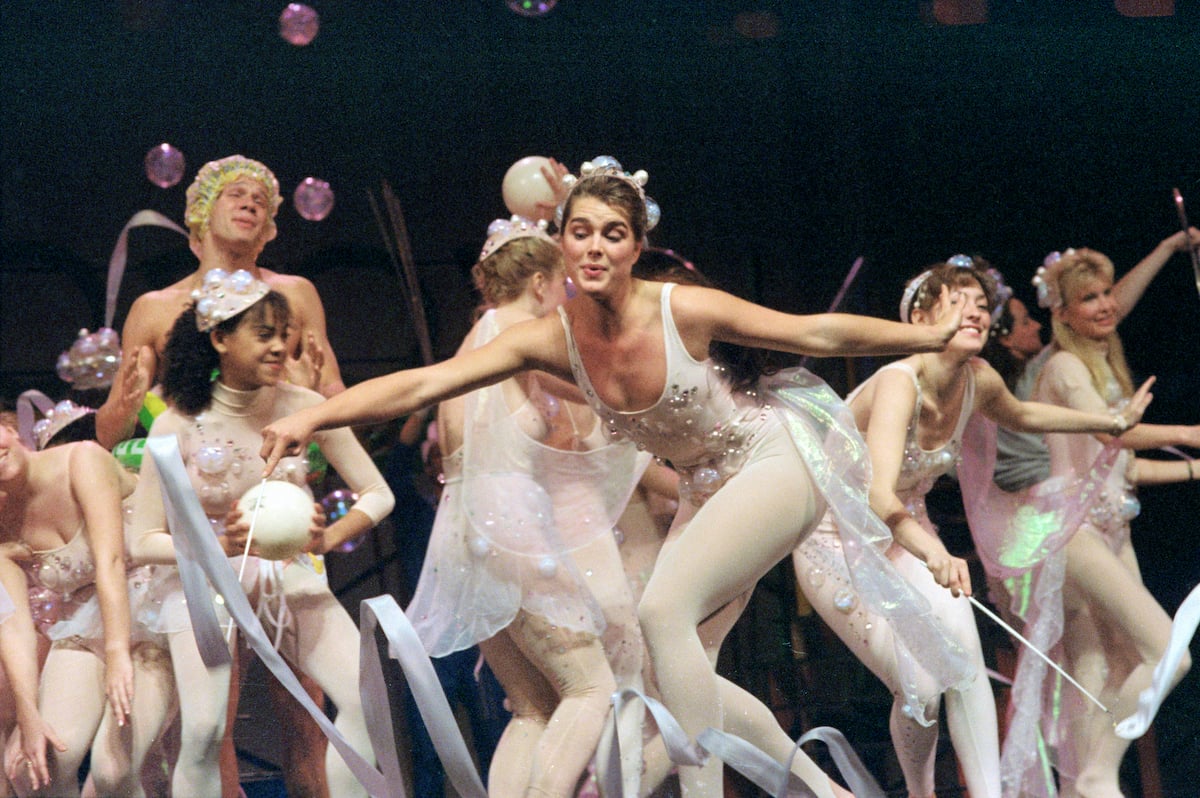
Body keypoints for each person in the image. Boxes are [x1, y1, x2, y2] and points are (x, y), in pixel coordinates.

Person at [259, 157, 986, 797]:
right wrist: (309, 420)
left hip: (775, 461)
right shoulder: (551, 337)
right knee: (676, 667)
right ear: (562, 241)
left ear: (636, 247)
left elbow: (814, 332)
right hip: (708, 485)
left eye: (613, 233)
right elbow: (425, 384)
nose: (596, 246)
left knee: (660, 612)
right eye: (581, 231)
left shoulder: (681, 308)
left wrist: (926, 337)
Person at [791, 257, 1152, 798]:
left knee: (965, 662)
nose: (977, 313)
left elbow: (1025, 416)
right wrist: (932, 552)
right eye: (958, 302)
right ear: (921, 316)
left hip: (905, 532)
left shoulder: (978, 379)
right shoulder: (898, 382)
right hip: (835, 539)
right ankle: (921, 791)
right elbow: (876, 493)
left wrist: (1108, 423)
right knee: (922, 684)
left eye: (983, 305)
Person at [96, 154, 345, 798]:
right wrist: (123, 404)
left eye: (263, 201)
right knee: (212, 712)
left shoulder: (296, 295)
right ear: (198, 214)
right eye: (236, 194)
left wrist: (314, 386)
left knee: (305, 700)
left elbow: (335, 399)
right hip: (200, 521)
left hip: (281, 508)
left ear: (271, 230)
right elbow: (112, 434)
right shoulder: (157, 307)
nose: (251, 204)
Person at [398, 214, 649, 797]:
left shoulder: (472, 343)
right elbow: (603, 389)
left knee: (533, 710)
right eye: (563, 283)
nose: (566, 297)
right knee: (592, 689)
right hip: (508, 520)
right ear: (540, 282)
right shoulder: (519, 335)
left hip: (462, 528)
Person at [126, 271, 394, 798]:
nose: (280, 347)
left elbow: (379, 493)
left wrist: (328, 535)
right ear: (220, 338)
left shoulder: (305, 408)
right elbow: (142, 541)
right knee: (202, 733)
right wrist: (217, 546)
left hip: (287, 577)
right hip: (204, 587)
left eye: (284, 334)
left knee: (367, 702)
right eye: (264, 334)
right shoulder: (175, 425)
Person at [1024, 247, 1196, 798]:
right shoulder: (1066, 366)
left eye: (1106, 294)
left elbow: (1124, 464)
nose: (1104, 304)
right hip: (1073, 528)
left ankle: (1087, 784)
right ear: (1064, 313)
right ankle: (1097, 772)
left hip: (1110, 526)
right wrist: (1191, 433)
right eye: (1088, 298)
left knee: (1105, 668)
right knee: (1170, 652)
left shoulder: (1102, 363)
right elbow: (1111, 434)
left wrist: (1193, 468)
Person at [0, 413, 174, 797]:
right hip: (83, 626)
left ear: (10, 428)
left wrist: (117, 654)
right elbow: (11, 624)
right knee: (35, 771)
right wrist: (28, 714)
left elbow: (110, 562)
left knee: (113, 772)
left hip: (156, 614)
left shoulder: (82, 459)